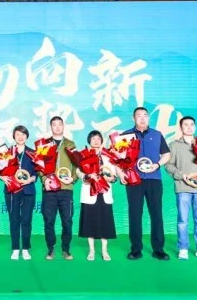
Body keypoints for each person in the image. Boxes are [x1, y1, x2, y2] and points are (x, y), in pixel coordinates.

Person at [164, 116, 197, 260]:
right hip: (183, 188)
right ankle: (183, 249)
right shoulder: (174, 145)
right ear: (180, 127)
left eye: (191, 124)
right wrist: (182, 175)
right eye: (185, 124)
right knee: (183, 221)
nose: (189, 127)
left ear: (195, 127)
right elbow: (168, 165)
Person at [122, 107, 170, 261]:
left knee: (156, 214)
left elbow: (166, 154)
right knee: (135, 214)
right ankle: (136, 249)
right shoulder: (126, 136)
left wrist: (157, 164)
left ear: (148, 118)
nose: (142, 118)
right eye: (138, 115)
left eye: (145, 115)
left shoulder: (157, 134)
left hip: (154, 179)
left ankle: (158, 249)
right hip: (134, 179)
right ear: (133, 118)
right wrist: (121, 173)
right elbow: (118, 158)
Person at [40, 116, 77, 261]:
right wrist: (45, 180)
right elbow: (39, 165)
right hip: (49, 190)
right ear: (51, 127)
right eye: (54, 124)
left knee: (67, 221)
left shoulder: (70, 144)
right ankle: (50, 249)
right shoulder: (44, 144)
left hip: (66, 189)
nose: (57, 127)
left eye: (59, 124)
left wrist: (73, 178)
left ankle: (66, 249)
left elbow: (77, 165)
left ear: (63, 126)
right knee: (49, 221)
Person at [76, 130, 117, 261]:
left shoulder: (107, 155)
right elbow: (78, 171)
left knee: (105, 222)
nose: (96, 141)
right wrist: (87, 176)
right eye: (93, 138)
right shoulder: (84, 155)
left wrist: (113, 178)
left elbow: (114, 173)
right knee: (90, 222)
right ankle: (91, 251)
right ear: (89, 141)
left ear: (101, 140)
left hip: (104, 192)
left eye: (98, 138)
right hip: (90, 192)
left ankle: (105, 251)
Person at [4, 125, 37, 260]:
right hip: (11, 190)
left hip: (28, 190)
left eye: (23, 134)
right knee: (14, 219)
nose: (20, 137)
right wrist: (2, 177)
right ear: (14, 136)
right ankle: (15, 248)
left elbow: (37, 172)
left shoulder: (33, 153)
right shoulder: (7, 152)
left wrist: (30, 179)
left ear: (27, 136)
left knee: (27, 220)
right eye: (17, 134)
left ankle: (26, 248)